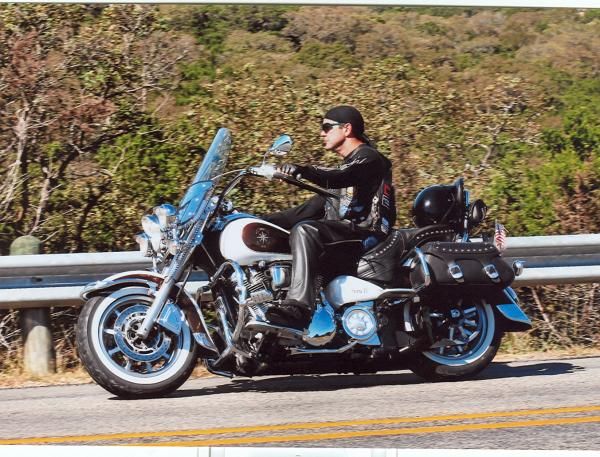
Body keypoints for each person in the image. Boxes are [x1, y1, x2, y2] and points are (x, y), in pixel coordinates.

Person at [261, 105, 396, 331]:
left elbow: (341, 177)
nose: (321, 133)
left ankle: (298, 309)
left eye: (326, 127)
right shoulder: (345, 174)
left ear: (347, 129)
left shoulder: (369, 159)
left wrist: (303, 170)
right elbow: (307, 210)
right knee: (290, 232)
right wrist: (257, 221)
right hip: (346, 233)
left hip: (367, 234)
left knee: (306, 231)